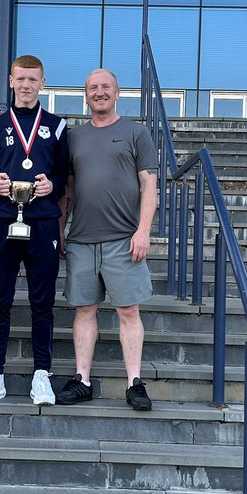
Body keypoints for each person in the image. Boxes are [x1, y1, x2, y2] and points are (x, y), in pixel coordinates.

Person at [0, 54, 69, 405]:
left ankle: (42, 373)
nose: (26, 85)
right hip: (2, 221)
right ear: (10, 81)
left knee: (43, 303)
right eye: (20, 79)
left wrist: (50, 188)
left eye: (33, 80)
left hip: (42, 222)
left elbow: (63, 176)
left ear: (42, 83)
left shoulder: (57, 126)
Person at [58, 68, 158, 411]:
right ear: (86, 95)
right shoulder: (73, 137)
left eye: (105, 87)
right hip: (82, 239)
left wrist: (143, 230)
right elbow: (68, 188)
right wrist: (60, 228)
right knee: (84, 309)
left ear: (118, 93)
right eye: (92, 88)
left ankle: (134, 383)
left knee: (128, 310)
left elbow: (149, 185)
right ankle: (82, 379)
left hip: (123, 238)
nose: (99, 92)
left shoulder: (136, 132)